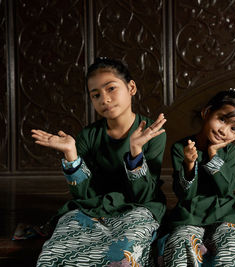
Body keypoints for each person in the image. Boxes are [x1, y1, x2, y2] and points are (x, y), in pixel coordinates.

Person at [31, 57, 167, 266]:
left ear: (131, 87)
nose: (105, 99)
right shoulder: (87, 136)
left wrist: (136, 150)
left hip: (137, 208)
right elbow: (83, 194)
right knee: (53, 254)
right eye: (96, 95)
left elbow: (143, 195)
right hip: (92, 207)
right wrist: (71, 154)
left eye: (111, 88)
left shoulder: (152, 132)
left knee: (124, 255)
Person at [160, 89, 235, 267]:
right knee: (180, 243)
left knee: (233, 243)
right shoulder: (181, 147)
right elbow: (185, 195)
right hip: (191, 211)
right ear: (206, 113)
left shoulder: (231, 152)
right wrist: (189, 163)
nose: (223, 130)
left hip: (226, 210)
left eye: (233, 128)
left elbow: (226, 190)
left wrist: (214, 154)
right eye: (222, 119)